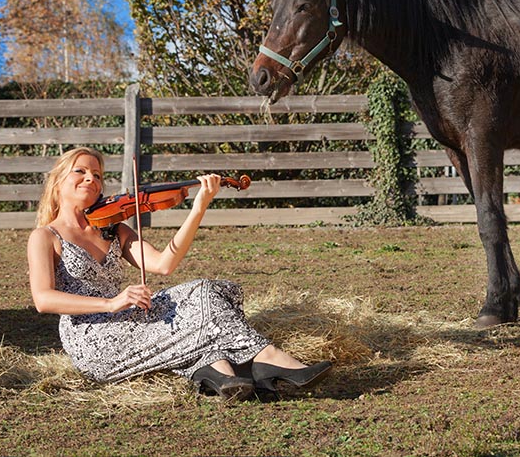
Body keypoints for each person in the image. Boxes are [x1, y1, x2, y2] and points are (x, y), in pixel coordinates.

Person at [27, 147, 331, 401]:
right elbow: (43, 299)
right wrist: (111, 303)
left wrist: (198, 207)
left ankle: (217, 370)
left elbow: (164, 264)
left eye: (97, 174)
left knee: (210, 290)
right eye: (81, 171)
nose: (91, 179)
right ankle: (267, 358)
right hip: (92, 339)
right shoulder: (45, 236)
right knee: (201, 312)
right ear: (57, 181)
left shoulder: (113, 228)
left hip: (128, 318)